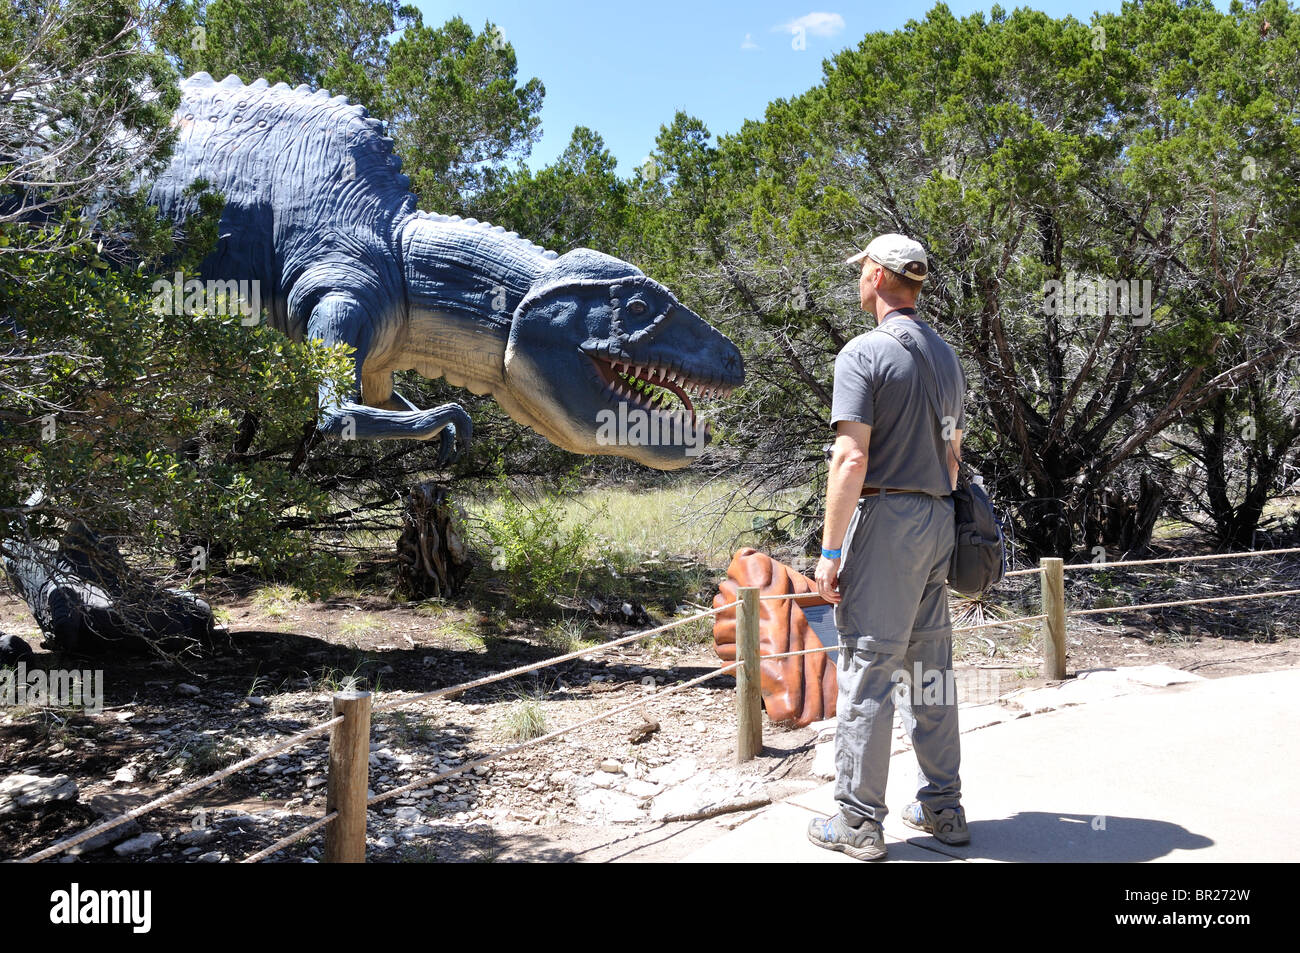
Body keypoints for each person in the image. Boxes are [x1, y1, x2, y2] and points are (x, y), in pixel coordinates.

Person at [806, 233, 969, 862]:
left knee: (869, 669)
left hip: (888, 520)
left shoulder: (864, 352)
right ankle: (943, 808)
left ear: (876, 275)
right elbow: (953, 455)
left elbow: (850, 457)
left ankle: (857, 821)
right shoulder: (946, 357)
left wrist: (830, 553)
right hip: (937, 517)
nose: (858, 280)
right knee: (930, 669)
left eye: (861, 271)